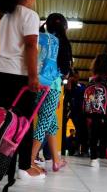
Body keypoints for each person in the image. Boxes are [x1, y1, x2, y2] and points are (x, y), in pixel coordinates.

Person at [0, 0, 44, 182]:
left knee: (5, 121)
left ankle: (3, 166)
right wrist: (33, 77)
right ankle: (24, 168)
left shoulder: (4, 18)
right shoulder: (30, 16)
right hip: (18, 76)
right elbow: (31, 46)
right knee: (23, 122)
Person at [30, 13, 70, 173]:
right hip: (52, 87)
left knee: (52, 124)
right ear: (64, 27)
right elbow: (65, 72)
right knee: (44, 122)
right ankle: (29, 159)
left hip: (36, 84)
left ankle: (56, 161)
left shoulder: (42, 37)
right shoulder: (63, 43)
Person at [67, 69, 88, 156]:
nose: (76, 78)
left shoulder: (82, 86)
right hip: (75, 113)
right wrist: (69, 82)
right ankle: (76, 150)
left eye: (77, 76)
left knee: (85, 132)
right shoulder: (69, 87)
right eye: (74, 77)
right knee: (79, 131)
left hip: (84, 112)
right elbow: (68, 95)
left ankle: (85, 150)